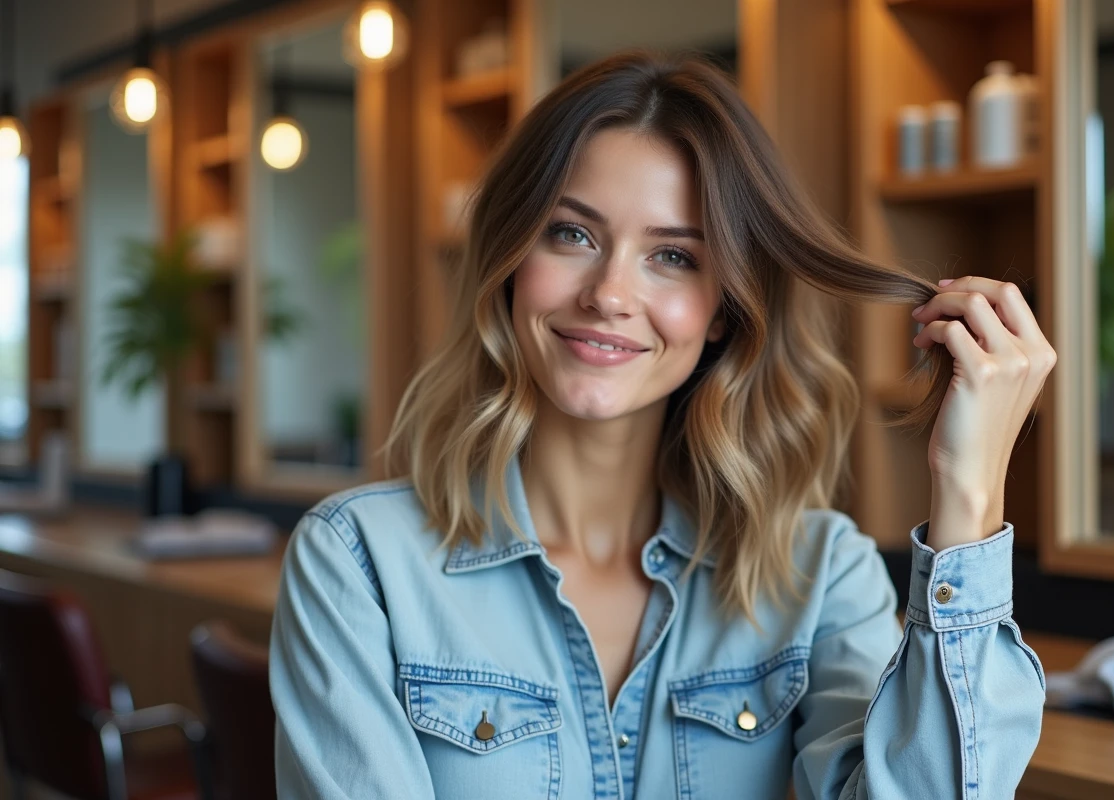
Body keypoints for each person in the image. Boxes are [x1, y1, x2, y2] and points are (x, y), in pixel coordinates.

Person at [270, 50, 1053, 799]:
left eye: (673, 256)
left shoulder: (817, 576)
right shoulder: (360, 565)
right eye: (571, 234)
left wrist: (970, 492)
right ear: (511, 264)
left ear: (723, 311)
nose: (609, 293)